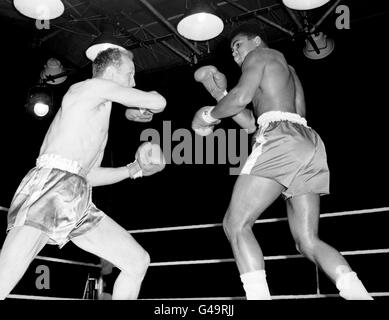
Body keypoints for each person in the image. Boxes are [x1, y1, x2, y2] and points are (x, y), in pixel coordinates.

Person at [192, 23, 372, 300]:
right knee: (307, 241)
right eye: (232, 51)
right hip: (308, 143)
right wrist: (220, 97)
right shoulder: (287, 70)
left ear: (256, 40)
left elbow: (241, 98)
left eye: (238, 45)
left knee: (235, 225)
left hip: (281, 139)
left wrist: (207, 117)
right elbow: (251, 122)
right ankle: (361, 296)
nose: (236, 55)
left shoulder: (260, 55)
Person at [0, 47, 167, 300]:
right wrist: (141, 105)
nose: (133, 82)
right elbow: (159, 101)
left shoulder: (99, 112)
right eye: (129, 74)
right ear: (110, 72)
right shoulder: (88, 88)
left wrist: (134, 169)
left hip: (77, 195)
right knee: (4, 277)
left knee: (137, 261)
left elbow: (88, 176)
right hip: (51, 185)